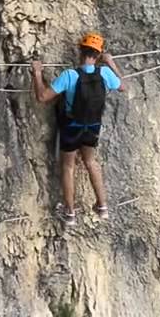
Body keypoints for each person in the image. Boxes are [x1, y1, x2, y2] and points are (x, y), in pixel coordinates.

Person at [30, 32, 126, 224]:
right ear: (98, 55)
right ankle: (102, 206)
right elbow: (123, 86)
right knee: (91, 162)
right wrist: (111, 63)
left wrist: (38, 73)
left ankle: (70, 212)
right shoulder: (105, 73)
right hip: (93, 126)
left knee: (68, 165)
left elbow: (42, 97)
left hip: (72, 127)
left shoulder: (70, 75)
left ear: (79, 50)